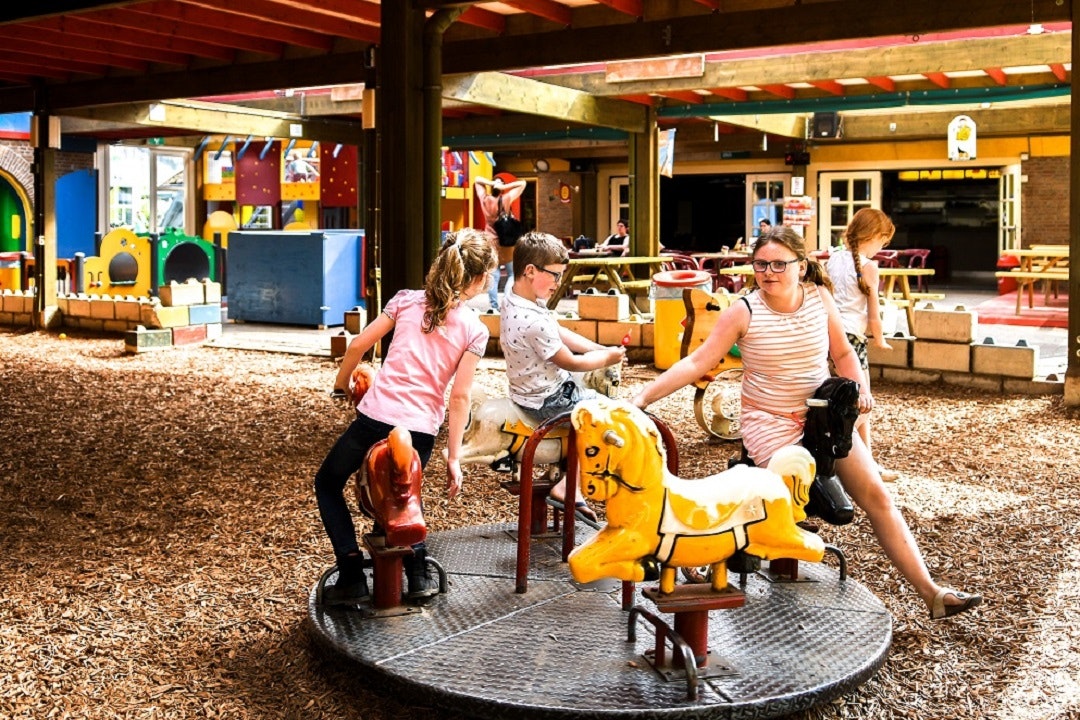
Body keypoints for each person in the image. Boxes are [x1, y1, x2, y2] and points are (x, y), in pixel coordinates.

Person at [631, 226, 982, 621]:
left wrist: (860, 389)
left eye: (780, 264)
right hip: (769, 422)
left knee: (877, 496)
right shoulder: (744, 310)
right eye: (761, 264)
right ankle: (705, 554)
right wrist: (641, 398)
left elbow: (844, 354)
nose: (769, 272)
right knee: (792, 502)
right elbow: (698, 362)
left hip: (821, 417)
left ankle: (932, 593)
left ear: (802, 266)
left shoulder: (819, 298)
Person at [315, 229, 497, 607]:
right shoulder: (475, 330)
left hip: (375, 418)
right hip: (419, 430)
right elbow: (459, 396)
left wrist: (340, 383)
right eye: (489, 275)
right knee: (404, 496)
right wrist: (454, 457)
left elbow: (359, 345)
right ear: (478, 279)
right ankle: (418, 575)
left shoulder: (406, 302)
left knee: (328, 482)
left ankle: (350, 572)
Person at [500, 231, 626, 526]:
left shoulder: (517, 299)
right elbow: (571, 361)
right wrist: (607, 359)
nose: (558, 283)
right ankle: (570, 486)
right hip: (547, 398)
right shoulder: (530, 320)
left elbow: (557, 330)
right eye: (555, 275)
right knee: (608, 413)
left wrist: (599, 348)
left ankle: (566, 472)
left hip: (529, 390)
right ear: (530, 271)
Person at [827, 208, 898, 481]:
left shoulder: (833, 260)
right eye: (883, 241)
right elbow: (874, 314)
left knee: (849, 399)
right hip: (852, 342)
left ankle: (868, 464)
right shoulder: (869, 267)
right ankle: (838, 453)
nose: (883, 247)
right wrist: (880, 340)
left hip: (828, 337)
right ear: (874, 236)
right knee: (862, 404)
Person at [475, 176, 528, 311]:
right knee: (512, 274)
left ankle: (494, 305)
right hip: (506, 242)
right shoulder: (505, 199)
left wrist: (491, 183)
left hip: (490, 241)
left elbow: (477, 180)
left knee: (493, 274)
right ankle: (506, 302)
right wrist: (504, 187)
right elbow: (522, 183)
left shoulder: (485, 199)